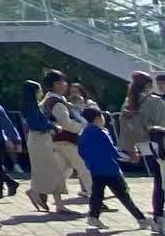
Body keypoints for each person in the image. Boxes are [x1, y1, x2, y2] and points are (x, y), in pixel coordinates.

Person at [79, 105, 147, 230]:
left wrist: (90, 163)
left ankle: (93, 217)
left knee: (97, 194)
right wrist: (129, 158)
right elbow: (112, 152)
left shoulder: (83, 133)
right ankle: (141, 219)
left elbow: (81, 152)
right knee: (124, 196)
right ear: (97, 118)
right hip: (110, 169)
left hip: (95, 169)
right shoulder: (102, 133)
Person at [115, 71, 164, 233]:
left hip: (144, 148)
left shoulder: (128, 102)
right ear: (149, 85)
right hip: (160, 146)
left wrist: (130, 150)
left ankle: (158, 217)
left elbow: (125, 130)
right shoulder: (154, 101)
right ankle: (159, 218)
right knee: (162, 182)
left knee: (158, 182)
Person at [42, 69, 92, 204]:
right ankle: (96, 199)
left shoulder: (53, 99)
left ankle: (40, 191)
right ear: (56, 84)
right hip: (66, 140)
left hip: (59, 140)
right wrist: (84, 128)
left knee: (64, 170)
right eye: (62, 81)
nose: (65, 84)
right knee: (84, 168)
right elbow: (66, 123)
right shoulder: (56, 102)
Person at [20, 79, 69, 214]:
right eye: (39, 90)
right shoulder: (32, 107)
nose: (41, 92)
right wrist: (53, 127)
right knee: (53, 170)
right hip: (39, 140)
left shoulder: (33, 106)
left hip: (40, 140)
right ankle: (54, 202)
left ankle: (42, 195)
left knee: (47, 170)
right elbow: (35, 125)